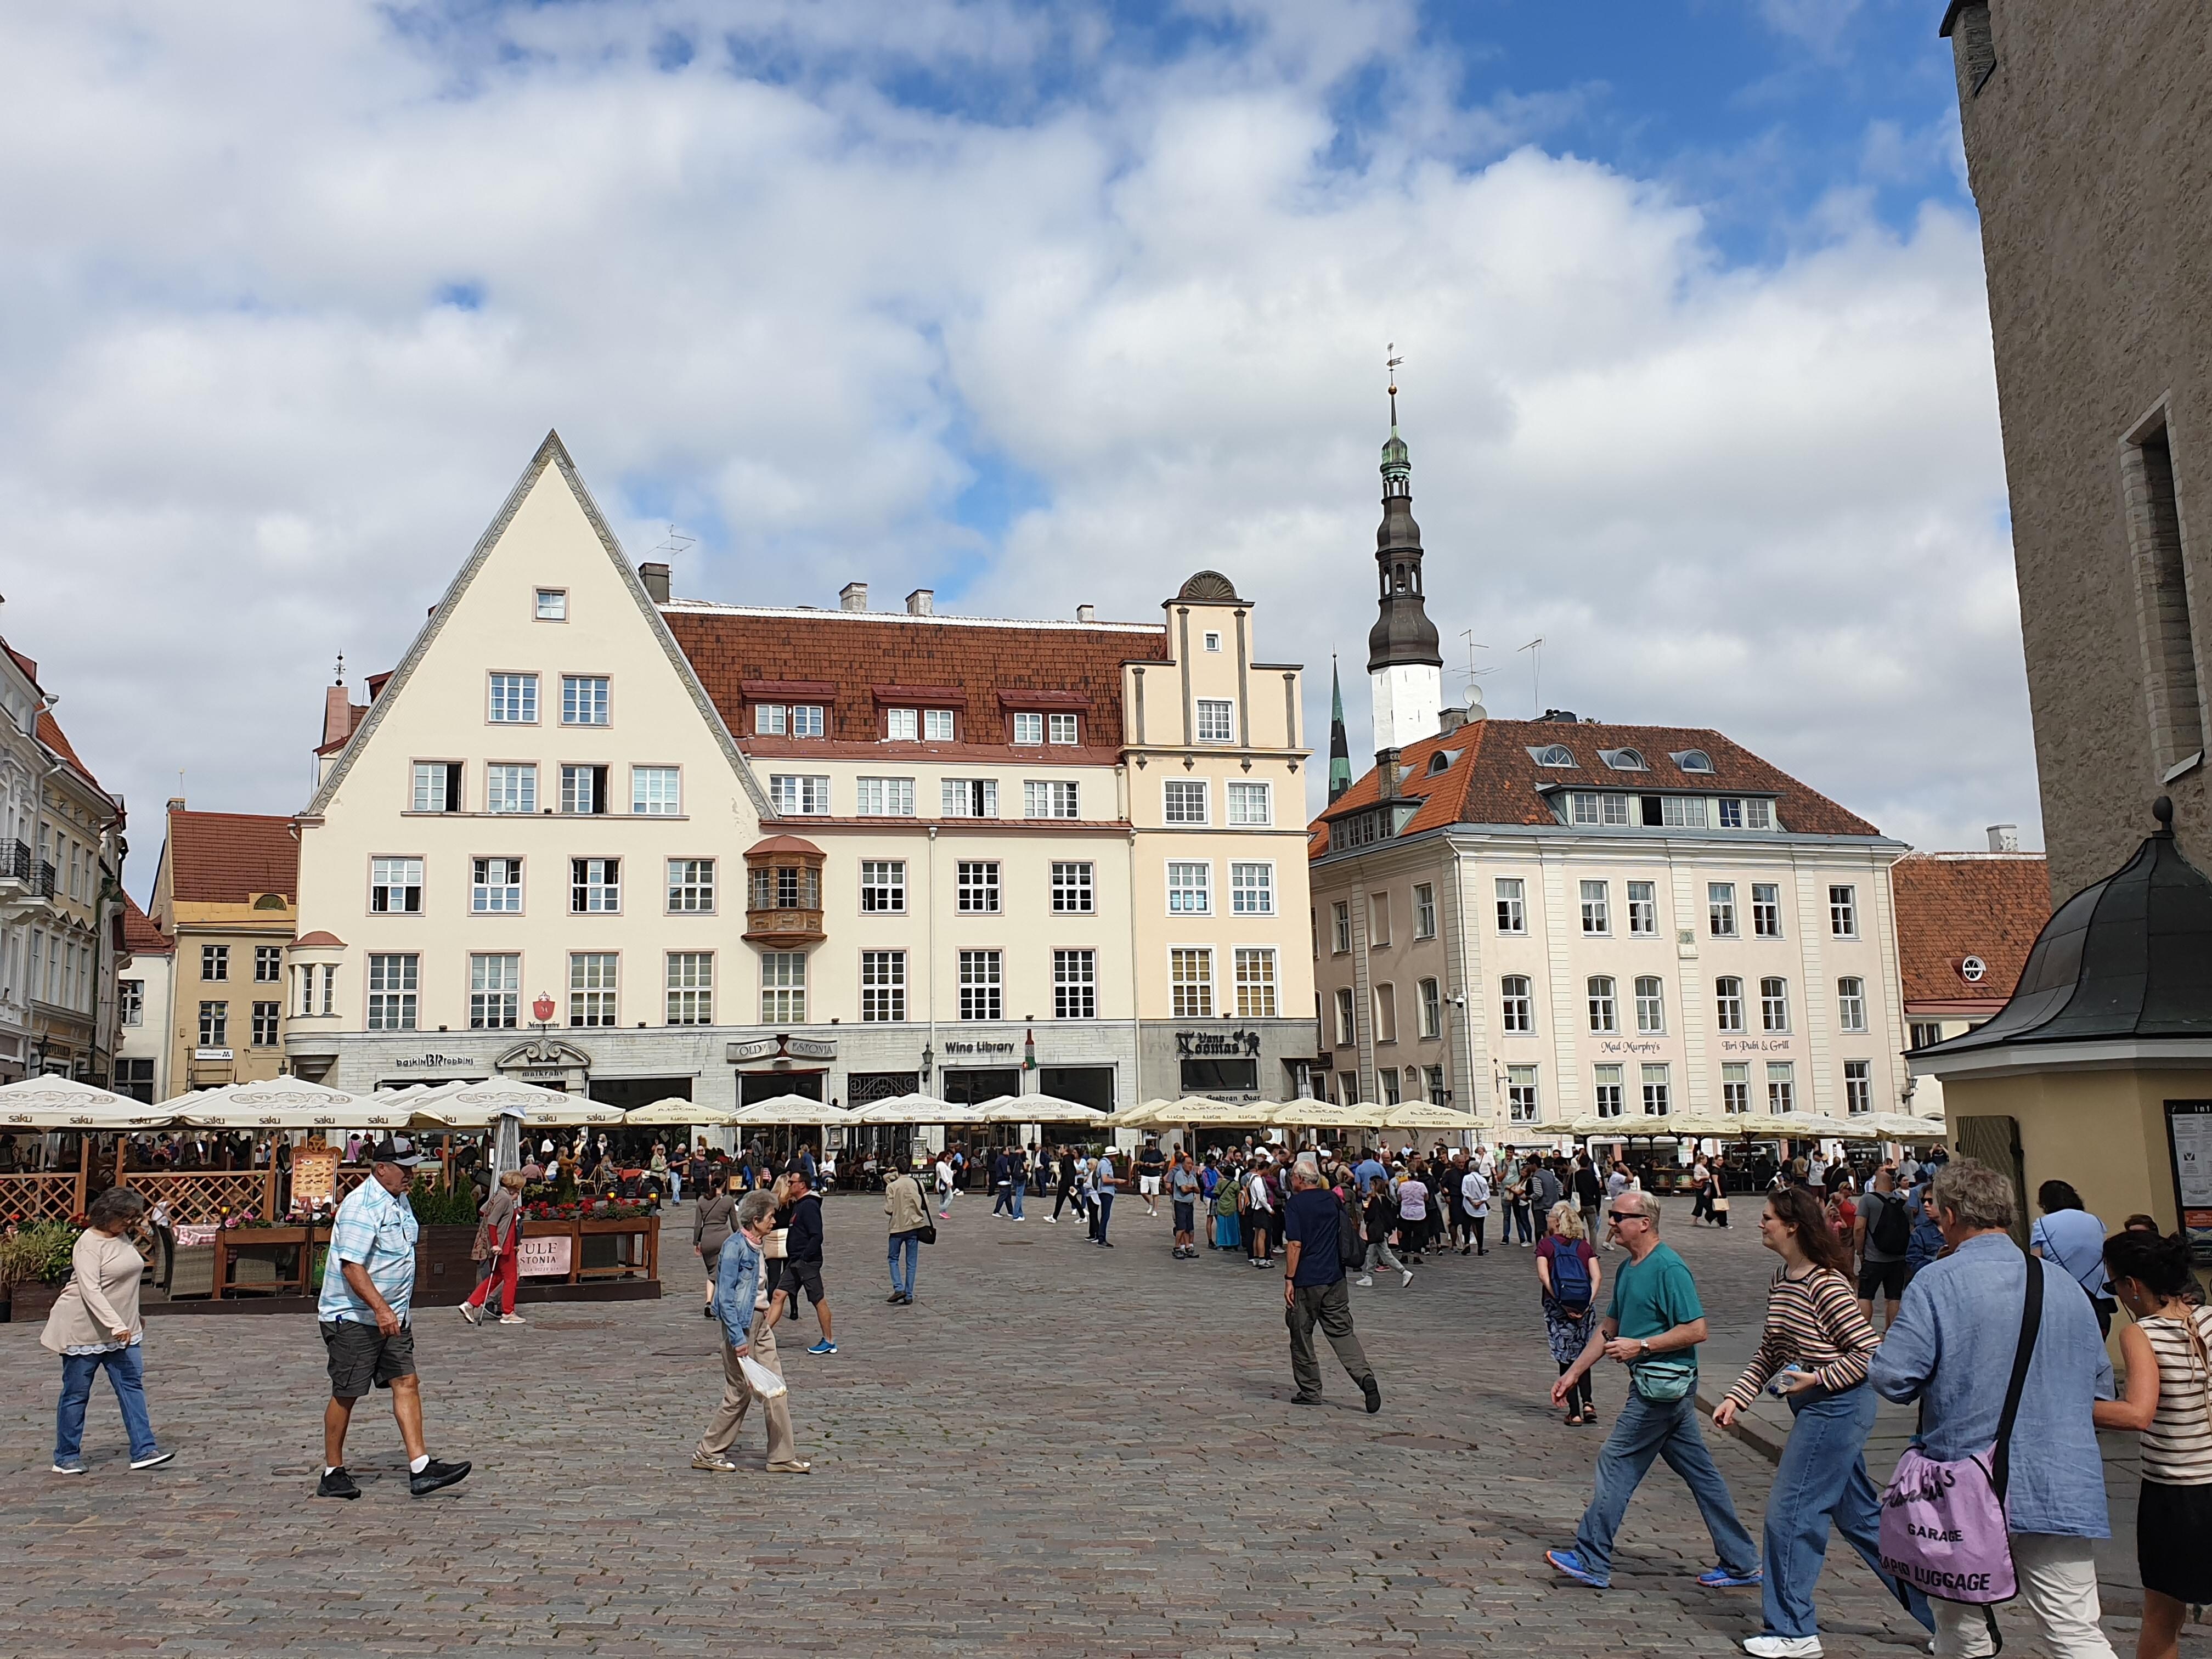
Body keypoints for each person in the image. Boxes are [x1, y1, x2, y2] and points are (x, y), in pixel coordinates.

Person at [1868, 1159, 2118, 1659]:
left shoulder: (1938, 1282)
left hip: (1964, 1483)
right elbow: (2100, 1388)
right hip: (2059, 1483)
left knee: (1961, 1631)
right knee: (2073, 1629)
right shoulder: (2066, 1286)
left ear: (1953, 1215)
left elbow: (1895, 1379)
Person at [1713, 1186, 1934, 1656]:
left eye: (1768, 1217)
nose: (1761, 1223)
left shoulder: (1826, 1284)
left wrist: (1817, 1377)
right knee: (1864, 1523)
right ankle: (1950, 1619)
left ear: (1793, 1226)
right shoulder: (1782, 1279)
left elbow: (1870, 1353)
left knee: (1790, 1515)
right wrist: (1738, 1398)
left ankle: (1792, 1630)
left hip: (1838, 1409)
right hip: (1814, 1407)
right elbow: (1772, 1349)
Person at [1546, 1188, 1760, 1593]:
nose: (1611, 1222)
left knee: (1615, 1461)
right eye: (1610, 1215)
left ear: (1644, 1222)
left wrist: (1641, 1346)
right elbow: (1610, 1325)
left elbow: (1697, 1330)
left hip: (1661, 1389)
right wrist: (1573, 1373)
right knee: (1703, 1476)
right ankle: (1742, 1560)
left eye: (1618, 1216)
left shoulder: (1669, 1268)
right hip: (1661, 1389)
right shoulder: (1629, 1268)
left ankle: (1592, 1557)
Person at [315, 1137, 470, 1500]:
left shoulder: (399, 1200)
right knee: (348, 1391)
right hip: (353, 1316)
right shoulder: (361, 1207)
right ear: (381, 1168)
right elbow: (352, 1266)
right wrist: (380, 1309)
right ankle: (332, 1472)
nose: (411, 1174)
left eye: (413, 1166)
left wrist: (393, 1310)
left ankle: (421, 1468)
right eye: (405, 1168)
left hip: (394, 1315)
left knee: (407, 1381)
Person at [2092, 1228, 2212, 1659]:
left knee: (2163, 1618)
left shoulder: (2142, 1334)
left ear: (2133, 1286)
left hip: (2177, 1495)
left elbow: (2136, 1414)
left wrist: (2066, 1407)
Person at [43, 1187, 173, 1475]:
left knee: (132, 1387)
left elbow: (123, 1283)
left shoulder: (122, 1237)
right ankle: (66, 1456)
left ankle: (144, 1449)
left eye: (132, 1218)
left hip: (124, 1331)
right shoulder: (88, 1244)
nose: (129, 1224)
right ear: (107, 1215)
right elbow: (91, 1290)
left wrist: (132, 1316)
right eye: (125, 1218)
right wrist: (116, 1323)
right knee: (77, 1393)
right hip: (84, 1329)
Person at [693, 1189, 810, 1474]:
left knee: (776, 1388)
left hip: (761, 1327)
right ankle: (708, 1451)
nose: (774, 1222)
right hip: (742, 1327)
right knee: (739, 1393)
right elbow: (724, 1298)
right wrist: (737, 1338)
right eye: (770, 1217)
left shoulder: (757, 1245)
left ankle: (782, 1456)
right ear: (755, 1220)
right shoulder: (734, 1247)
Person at [1281, 1164, 1383, 1413]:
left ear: (1299, 1179)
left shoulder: (1296, 1204)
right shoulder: (1331, 1198)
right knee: (1342, 1332)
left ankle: (1310, 1389)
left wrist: (1289, 1279)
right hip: (1335, 1276)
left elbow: (1295, 1244)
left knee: (1301, 1334)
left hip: (1307, 1278)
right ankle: (1364, 1377)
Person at [1537, 1200, 1602, 1426]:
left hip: (1558, 1309)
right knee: (1584, 1356)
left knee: (1566, 1358)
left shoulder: (1547, 1245)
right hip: (1585, 1308)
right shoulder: (1584, 1246)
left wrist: (1561, 1302)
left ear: (1556, 1222)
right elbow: (1598, 1277)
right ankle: (1588, 1403)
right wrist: (1586, 1304)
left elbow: (1544, 1277)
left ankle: (1574, 1412)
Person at [2031, 1180, 2117, 1338]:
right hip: (2098, 1299)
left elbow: (2036, 1263)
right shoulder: (2095, 1221)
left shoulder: (2042, 1224)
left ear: (2045, 1203)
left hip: (2063, 1300)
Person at [765, 1168, 834, 1355]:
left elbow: (816, 1235)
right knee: (779, 1294)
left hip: (806, 1262)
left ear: (802, 1185)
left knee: (817, 1299)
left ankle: (828, 1340)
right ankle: (762, 1335)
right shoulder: (799, 1204)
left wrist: (805, 1257)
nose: (789, 1185)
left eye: (792, 1182)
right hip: (794, 1261)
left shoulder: (810, 1205)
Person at [459, 1170, 527, 1327]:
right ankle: (508, 1312)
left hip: (502, 1244)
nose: (519, 1193)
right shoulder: (505, 1200)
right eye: (518, 1189)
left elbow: (483, 1211)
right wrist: (496, 1244)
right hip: (503, 1246)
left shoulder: (498, 1196)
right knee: (511, 1278)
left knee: (496, 1277)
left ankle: (471, 1304)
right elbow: (492, 1222)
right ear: (513, 1187)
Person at [1848, 1164, 1910, 1333]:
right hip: (1898, 1258)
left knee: (1866, 1295)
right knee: (1894, 1297)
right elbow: (1910, 1229)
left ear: (1875, 1184)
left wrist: (1860, 1252)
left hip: (1874, 1258)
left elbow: (1859, 1228)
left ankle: (1862, 1333)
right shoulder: (1903, 1203)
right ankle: (1890, 1333)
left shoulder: (1868, 1200)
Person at [696, 1169, 743, 1319]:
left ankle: (709, 1302)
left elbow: (698, 1225)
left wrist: (696, 1242)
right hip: (723, 1238)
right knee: (723, 1274)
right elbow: (734, 1224)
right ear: (724, 1183)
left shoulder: (702, 1200)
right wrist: (740, 1237)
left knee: (711, 1273)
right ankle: (720, 1305)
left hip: (707, 1239)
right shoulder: (728, 1200)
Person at [883, 1163, 928, 1305]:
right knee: (911, 1262)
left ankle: (898, 1287)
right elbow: (925, 1204)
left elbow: (889, 1209)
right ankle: (908, 1294)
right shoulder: (918, 1183)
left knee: (893, 1258)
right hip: (914, 1226)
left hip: (897, 1227)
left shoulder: (892, 1186)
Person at [1167, 1150, 1200, 1259]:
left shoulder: (1191, 1176)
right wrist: (1191, 1188)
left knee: (1189, 1228)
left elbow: (1198, 1190)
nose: (1190, 1166)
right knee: (1181, 1228)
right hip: (1181, 1204)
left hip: (1190, 1204)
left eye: (1192, 1164)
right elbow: (1184, 1189)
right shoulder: (1179, 1175)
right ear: (1183, 1164)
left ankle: (1188, 1247)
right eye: (1188, 1163)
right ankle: (1177, 1247)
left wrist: (1191, 1187)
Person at [1244, 1158, 1275, 1266]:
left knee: (1257, 1235)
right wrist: (1270, 1210)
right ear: (1265, 1169)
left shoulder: (1252, 1179)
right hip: (1260, 1209)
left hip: (1255, 1209)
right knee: (1262, 1235)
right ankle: (1262, 1259)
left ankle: (1256, 1257)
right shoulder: (1258, 1180)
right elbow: (1262, 1198)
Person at [1575, 1153, 1605, 1248]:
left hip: (1578, 1205)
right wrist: (1598, 1207)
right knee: (1593, 1229)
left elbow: (1569, 1189)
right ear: (1589, 1164)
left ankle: (1581, 1247)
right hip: (1591, 1204)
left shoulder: (1575, 1175)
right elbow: (1597, 1193)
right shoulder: (1592, 1176)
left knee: (1578, 1228)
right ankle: (1593, 1251)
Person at [1460, 1162, 1491, 1257]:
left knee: (1467, 1225)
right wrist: (1480, 1202)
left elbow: (1464, 1191)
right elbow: (1487, 1194)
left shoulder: (1466, 1178)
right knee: (1480, 1227)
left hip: (1468, 1205)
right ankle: (1480, 1247)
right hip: (1480, 1206)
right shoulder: (1482, 1180)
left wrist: (1472, 1201)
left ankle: (1467, 1244)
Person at [1091, 1145, 1119, 1246]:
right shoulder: (1105, 1164)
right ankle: (1101, 1238)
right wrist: (1117, 1181)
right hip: (1106, 1191)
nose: (1116, 1158)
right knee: (1105, 1215)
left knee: (1105, 1214)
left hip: (1105, 1191)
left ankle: (1101, 1236)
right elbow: (1105, 1179)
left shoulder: (1104, 1163)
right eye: (1115, 1156)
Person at [1136, 1138, 1166, 1218]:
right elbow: (1140, 1162)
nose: (1149, 1148)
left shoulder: (1158, 1152)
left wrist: (1154, 1165)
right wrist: (1145, 1164)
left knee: (1155, 1193)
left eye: (1150, 1146)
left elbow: (1163, 1162)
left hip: (1155, 1175)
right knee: (1143, 1192)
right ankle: (1150, 1203)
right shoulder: (1144, 1152)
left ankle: (1155, 1210)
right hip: (1145, 1174)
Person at [1051, 1146, 1079, 1224]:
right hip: (1065, 1182)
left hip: (1066, 1183)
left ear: (1065, 1149)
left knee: (1060, 1200)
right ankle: (1083, 1216)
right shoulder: (1065, 1159)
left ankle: (1054, 1217)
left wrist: (1070, 1184)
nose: (1059, 1149)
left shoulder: (1067, 1159)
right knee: (1073, 1200)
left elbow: (1070, 1172)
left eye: (1061, 1148)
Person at [933, 1150, 956, 1220]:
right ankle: (943, 1210)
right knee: (950, 1197)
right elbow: (944, 1174)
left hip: (941, 1182)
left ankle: (943, 1212)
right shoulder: (941, 1164)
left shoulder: (941, 1164)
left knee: (943, 1198)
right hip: (943, 1183)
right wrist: (948, 1182)